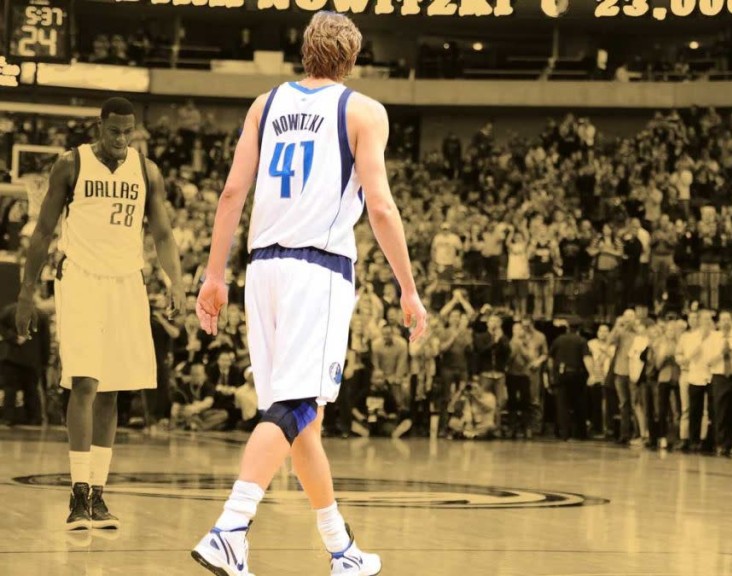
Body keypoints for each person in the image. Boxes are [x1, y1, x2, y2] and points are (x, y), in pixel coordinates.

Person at [189, 11, 427, 576]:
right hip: (316, 271)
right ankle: (230, 528)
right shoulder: (363, 111)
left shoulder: (264, 104)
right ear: (353, 58)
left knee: (301, 419)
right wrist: (408, 288)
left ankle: (341, 549)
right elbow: (381, 207)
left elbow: (231, 193)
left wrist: (214, 275)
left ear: (305, 52)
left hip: (262, 271)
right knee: (297, 407)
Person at [15, 97, 185, 531]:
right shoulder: (70, 165)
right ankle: (77, 493)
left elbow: (163, 233)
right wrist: (27, 292)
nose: (121, 139)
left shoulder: (147, 170)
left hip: (127, 281)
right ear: (99, 127)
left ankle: (98, 493)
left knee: (112, 390)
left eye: (128, 132)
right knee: (85, 382)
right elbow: (43, 232)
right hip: (80, 278)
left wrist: (176, 283)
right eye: (114, 132)